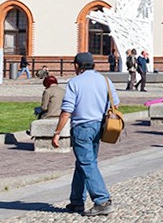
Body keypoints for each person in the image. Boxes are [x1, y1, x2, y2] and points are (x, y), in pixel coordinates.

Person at [53, 51, 116, 216]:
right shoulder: (105, 80)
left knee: (87, 163)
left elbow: (67, 110)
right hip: (99, 126)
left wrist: (57, 132)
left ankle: (102, 200)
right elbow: (115, 102)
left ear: (76, 66)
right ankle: (76, 201)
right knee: (84, 162)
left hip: (82, 127)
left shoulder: (74, 82)